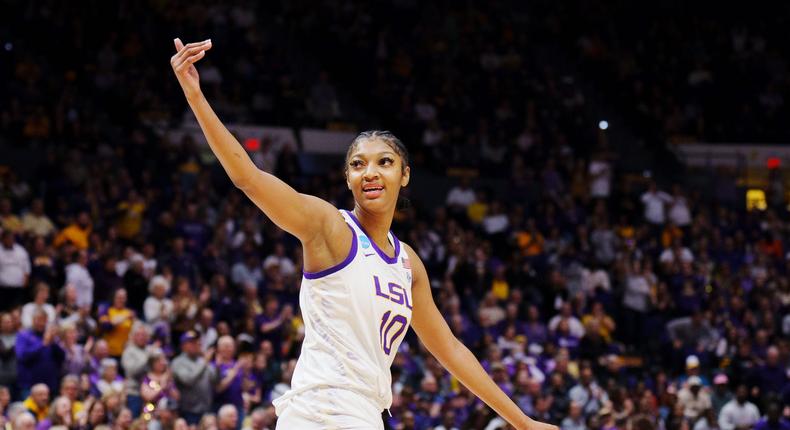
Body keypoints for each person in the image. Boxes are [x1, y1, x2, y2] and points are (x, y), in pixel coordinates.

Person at [170, 38, 557, 430]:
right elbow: (247, 178)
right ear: (348, 178)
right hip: (322, 410)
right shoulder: (330, 228)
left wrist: (522, 421)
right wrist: (196, 96)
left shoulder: (408, 263)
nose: (369, 171)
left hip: (366, 414)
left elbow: (452, 351)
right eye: (358, 164)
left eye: (384, 162)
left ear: (404, 175)